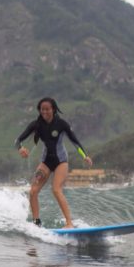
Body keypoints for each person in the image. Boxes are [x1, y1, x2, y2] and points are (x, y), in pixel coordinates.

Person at [14, 97, 93, 228]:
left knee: (56, 189)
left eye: (47, 109)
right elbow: (17, 140)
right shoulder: (36, 124)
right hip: (46, 161)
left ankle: (69, 223)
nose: (44, 112)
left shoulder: (61, 124)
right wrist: (20, 148)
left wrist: (85, 156)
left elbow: (75, 141)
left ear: (54, 109)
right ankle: (36, 223)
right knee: (33, 191)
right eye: (42, 109)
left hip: (61, 161)